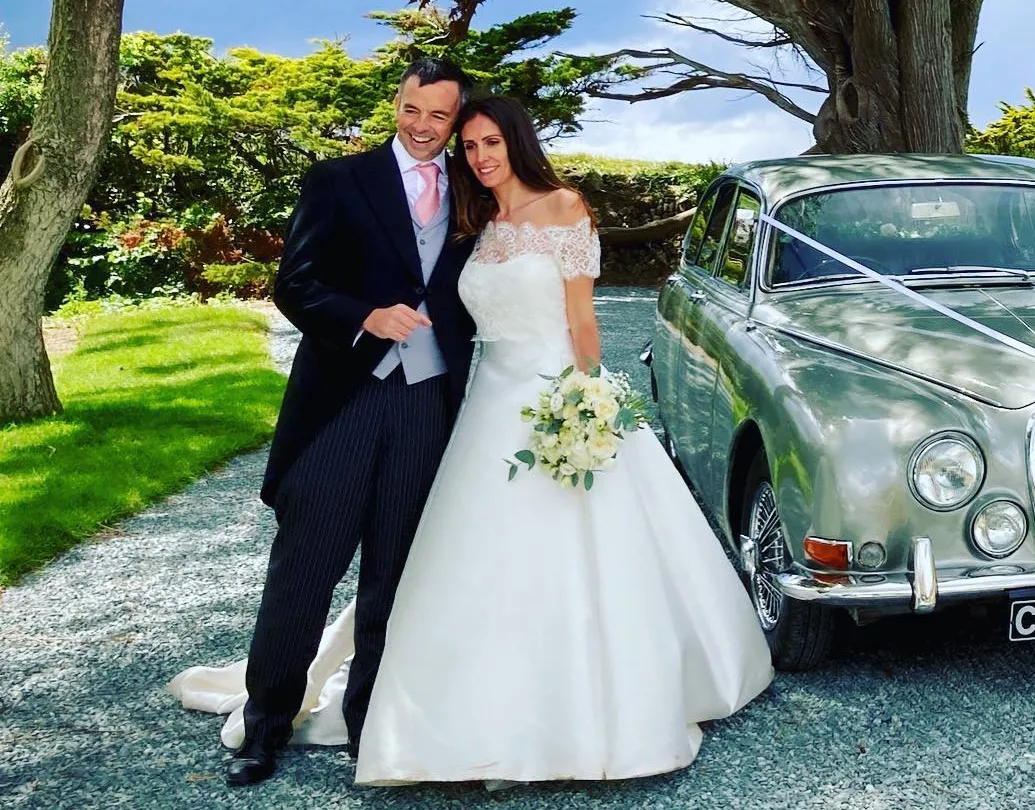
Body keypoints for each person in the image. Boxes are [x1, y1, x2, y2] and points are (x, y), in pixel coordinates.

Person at [170, 94, 774, 787]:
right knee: (395, 562)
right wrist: (367, 314)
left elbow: (583, 323)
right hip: (472, 406)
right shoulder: (469, 217)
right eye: (473, 146)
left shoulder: (561, 208)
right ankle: (310, 719)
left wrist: (588, 398)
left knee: (537, 560)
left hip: (545, 399)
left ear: (517, 142)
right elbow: (322, 283)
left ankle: (539, 714)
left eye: (491, 142)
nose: (481, 157)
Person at [176, 57, 478, 787]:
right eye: (413, 109)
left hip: (427, 406)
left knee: (394, 579)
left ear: (457, 118)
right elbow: (296, 284)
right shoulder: (338, 181)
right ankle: (265, 726)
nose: (424, 127)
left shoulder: (478, 194)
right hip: (344, 400)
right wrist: (364, 317)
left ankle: (371, 729)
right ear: (396, 103)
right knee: (304, 571)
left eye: (440, 116)